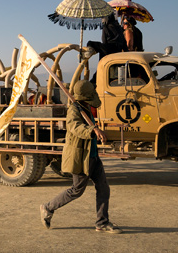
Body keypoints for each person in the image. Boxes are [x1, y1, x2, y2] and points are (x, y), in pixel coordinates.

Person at [40, 80, 122, 234]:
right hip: (80, 157)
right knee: (76, 190)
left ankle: (102, 222)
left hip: (92, 156)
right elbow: (74, 126)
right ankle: (48, 207)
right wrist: (92, 130)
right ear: (85, 96)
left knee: (103, 188)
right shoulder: (74, 110)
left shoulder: (85, 108)